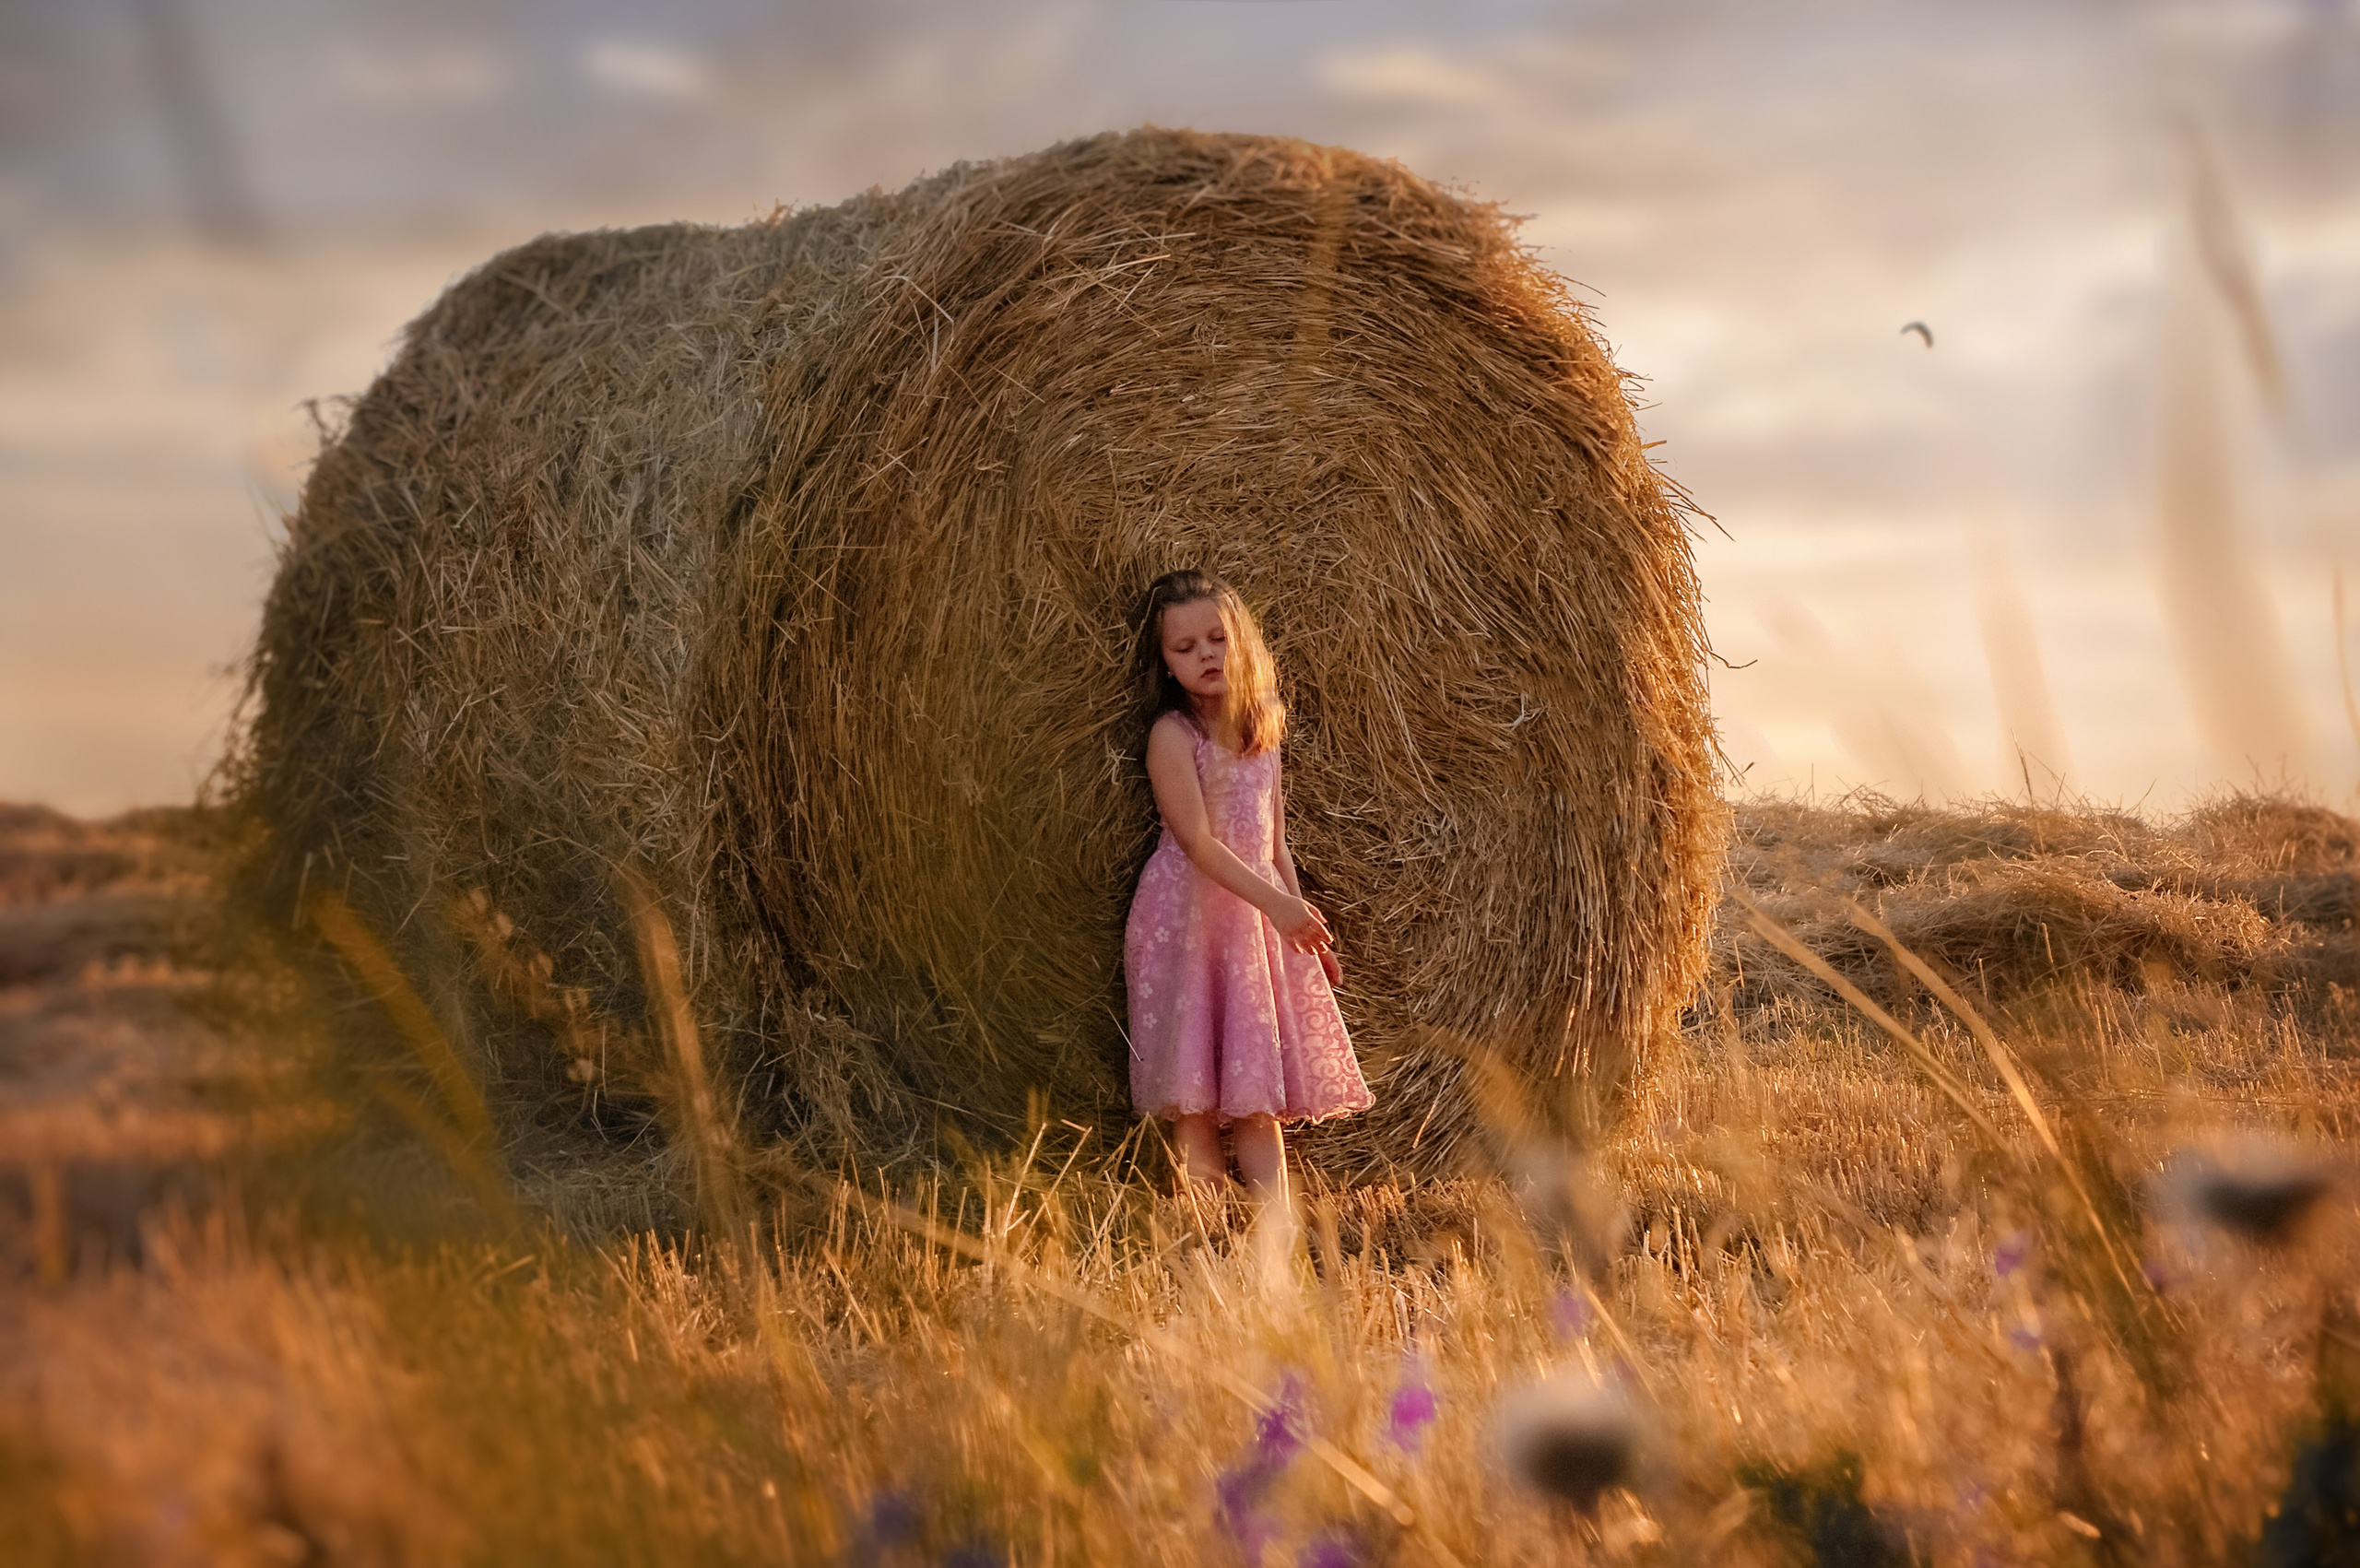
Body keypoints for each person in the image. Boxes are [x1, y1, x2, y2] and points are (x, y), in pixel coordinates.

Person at [1123, 569, 1374, 1199]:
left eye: (1217, 638)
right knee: (1196, 1099)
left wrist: (1302, 926)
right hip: (1187, 923)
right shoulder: (1171, 737)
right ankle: (1206, 1236)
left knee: (1257, 1093)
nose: (1206, 654)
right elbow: (1199, 844)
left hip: (1254, 925)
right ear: (1165, 663)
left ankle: (1274, 1237)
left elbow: (1275, 844)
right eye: (1185, 647)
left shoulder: (1263, 729)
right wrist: (1277, 905)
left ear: (1243, 642)